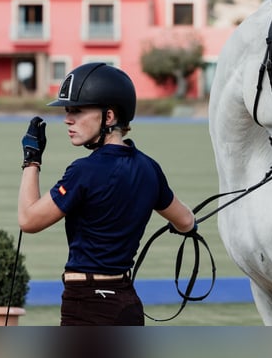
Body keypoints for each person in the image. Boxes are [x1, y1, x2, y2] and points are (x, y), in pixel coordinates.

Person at [17, 62, 197, 326]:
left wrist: (31, 162)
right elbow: (185, 222)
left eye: (77, 111)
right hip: (127, 303)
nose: (68, 119)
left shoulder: (83, 170)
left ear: (109, 117)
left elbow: (28, 221)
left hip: (87, 305)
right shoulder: (150, 168)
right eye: (68, 111)